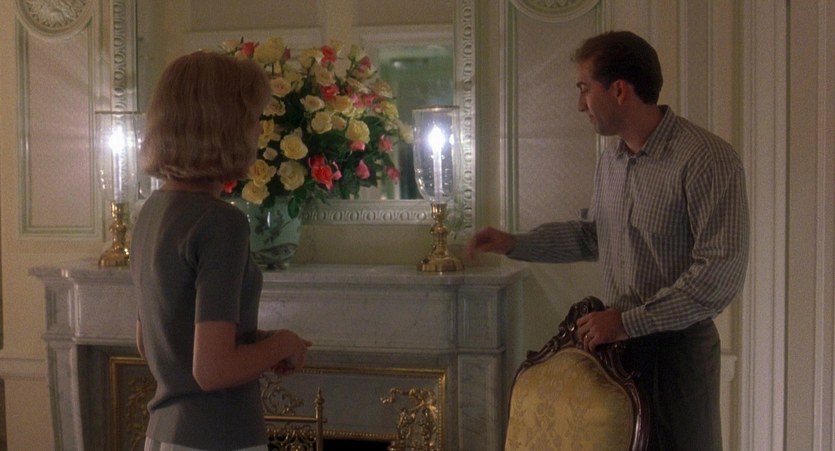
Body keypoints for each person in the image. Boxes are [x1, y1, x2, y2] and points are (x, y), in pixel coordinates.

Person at [467, 31, 748, 450]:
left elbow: (718, 277)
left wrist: (626, 322)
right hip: (617, 356)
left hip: (678, 360)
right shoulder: (610, 162)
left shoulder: (707, 159)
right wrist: (514, 244)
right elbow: (592, 236)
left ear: (618, 90)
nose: (580, 104)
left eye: (584, 88)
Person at [131, 51, 313, 451]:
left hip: (163, 434)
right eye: (253, 118)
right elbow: (212, 370)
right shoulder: (221, 222)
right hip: (218, 437)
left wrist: (257, 342)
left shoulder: (149, 213)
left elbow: (156, 341)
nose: (258, 130)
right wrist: (282, 344)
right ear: (226, 126)